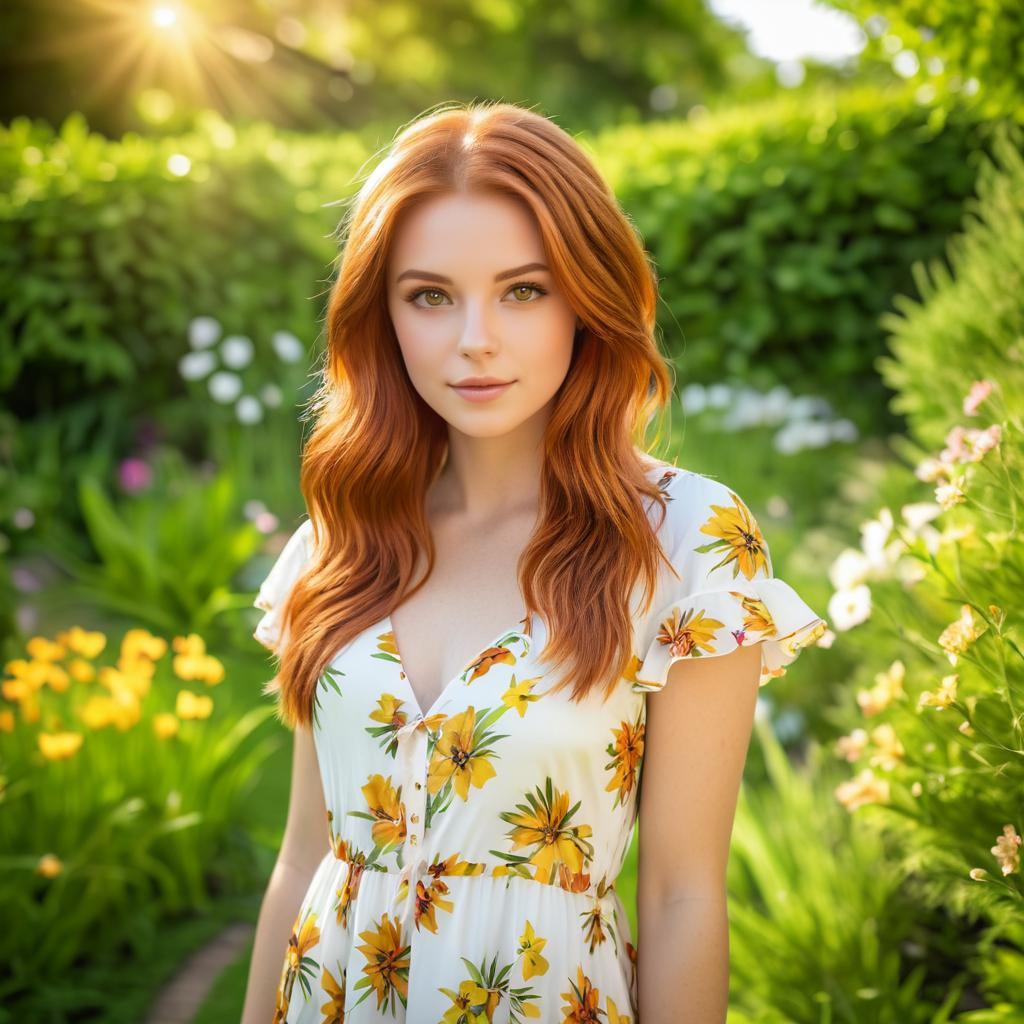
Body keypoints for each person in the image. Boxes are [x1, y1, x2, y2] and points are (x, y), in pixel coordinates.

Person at [240, 100, 827, 1024]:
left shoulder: (685, 542)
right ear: (382, 314)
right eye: (429, 295)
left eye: (523, 290)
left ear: (586, 300)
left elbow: (681, 897)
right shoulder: (341, 535)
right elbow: (304, 855)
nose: (476, 338)